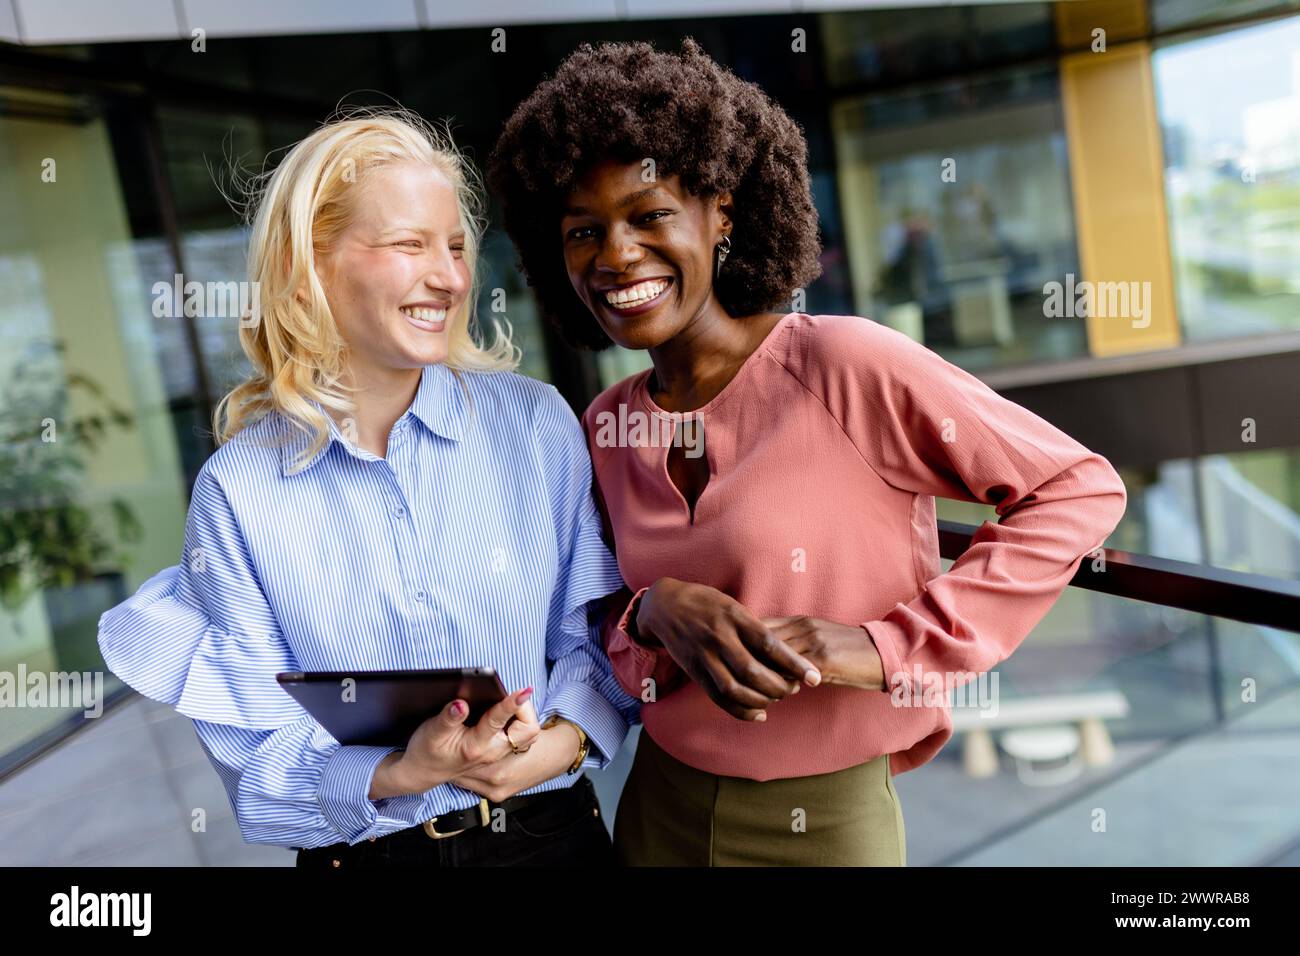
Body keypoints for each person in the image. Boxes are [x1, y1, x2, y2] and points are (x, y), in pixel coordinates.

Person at [488, 40, 1128, 866]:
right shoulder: (605, 425)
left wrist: (891, 646)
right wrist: (652, 612)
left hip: (827, 823)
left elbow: (1075, 488)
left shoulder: (845, 364)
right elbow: (598, 623)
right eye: (584, 231)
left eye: (649, 215)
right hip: (658, 804)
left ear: (721, 212)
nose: (615, 255)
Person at [97, 109, 639, 868]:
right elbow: (256, 751)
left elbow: (595, 642)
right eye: (408, 244)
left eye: (455, 246)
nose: (450, 277)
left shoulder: (535, 426)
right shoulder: (238, 491)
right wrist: (401, 771)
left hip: (550, 839)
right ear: (310, 265)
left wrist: (549, 747)